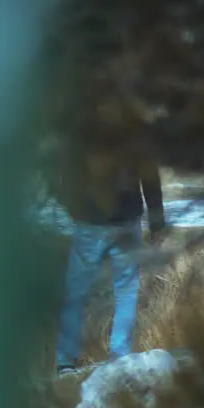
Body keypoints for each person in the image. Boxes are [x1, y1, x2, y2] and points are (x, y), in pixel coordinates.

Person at [53, 142, 167, 375]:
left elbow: (64, 175)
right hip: (127, 220)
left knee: (76, 292)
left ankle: (66, 362)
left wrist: (73, 210)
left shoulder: (83, 129)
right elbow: (151, 178)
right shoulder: (133, 130)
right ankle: (119, 357)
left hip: (90, 221)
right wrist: (157, 224)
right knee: (126, 291)